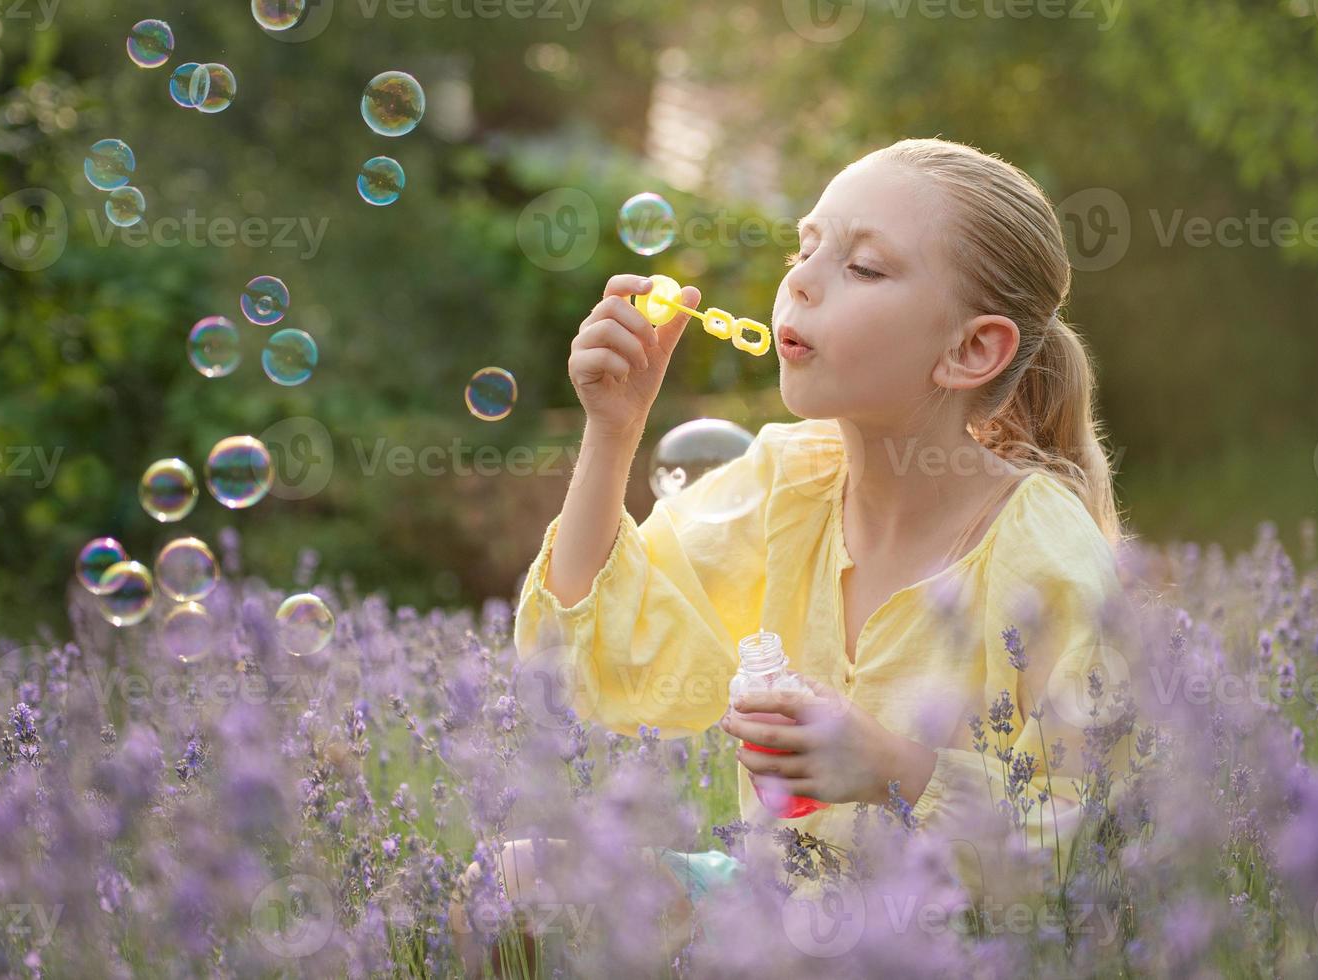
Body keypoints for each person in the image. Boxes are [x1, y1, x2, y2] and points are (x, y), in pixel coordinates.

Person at [451, 136, 1142, 972]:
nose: (801, 281)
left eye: (865, 267)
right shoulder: (790, 481)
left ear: (970, 350)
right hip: (774, 902)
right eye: (806, 245)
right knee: (508, 882)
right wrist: (613, 431)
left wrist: (891, 766)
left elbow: (1088, 845)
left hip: (949, 943)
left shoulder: (1045, 556)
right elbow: (577, 665)